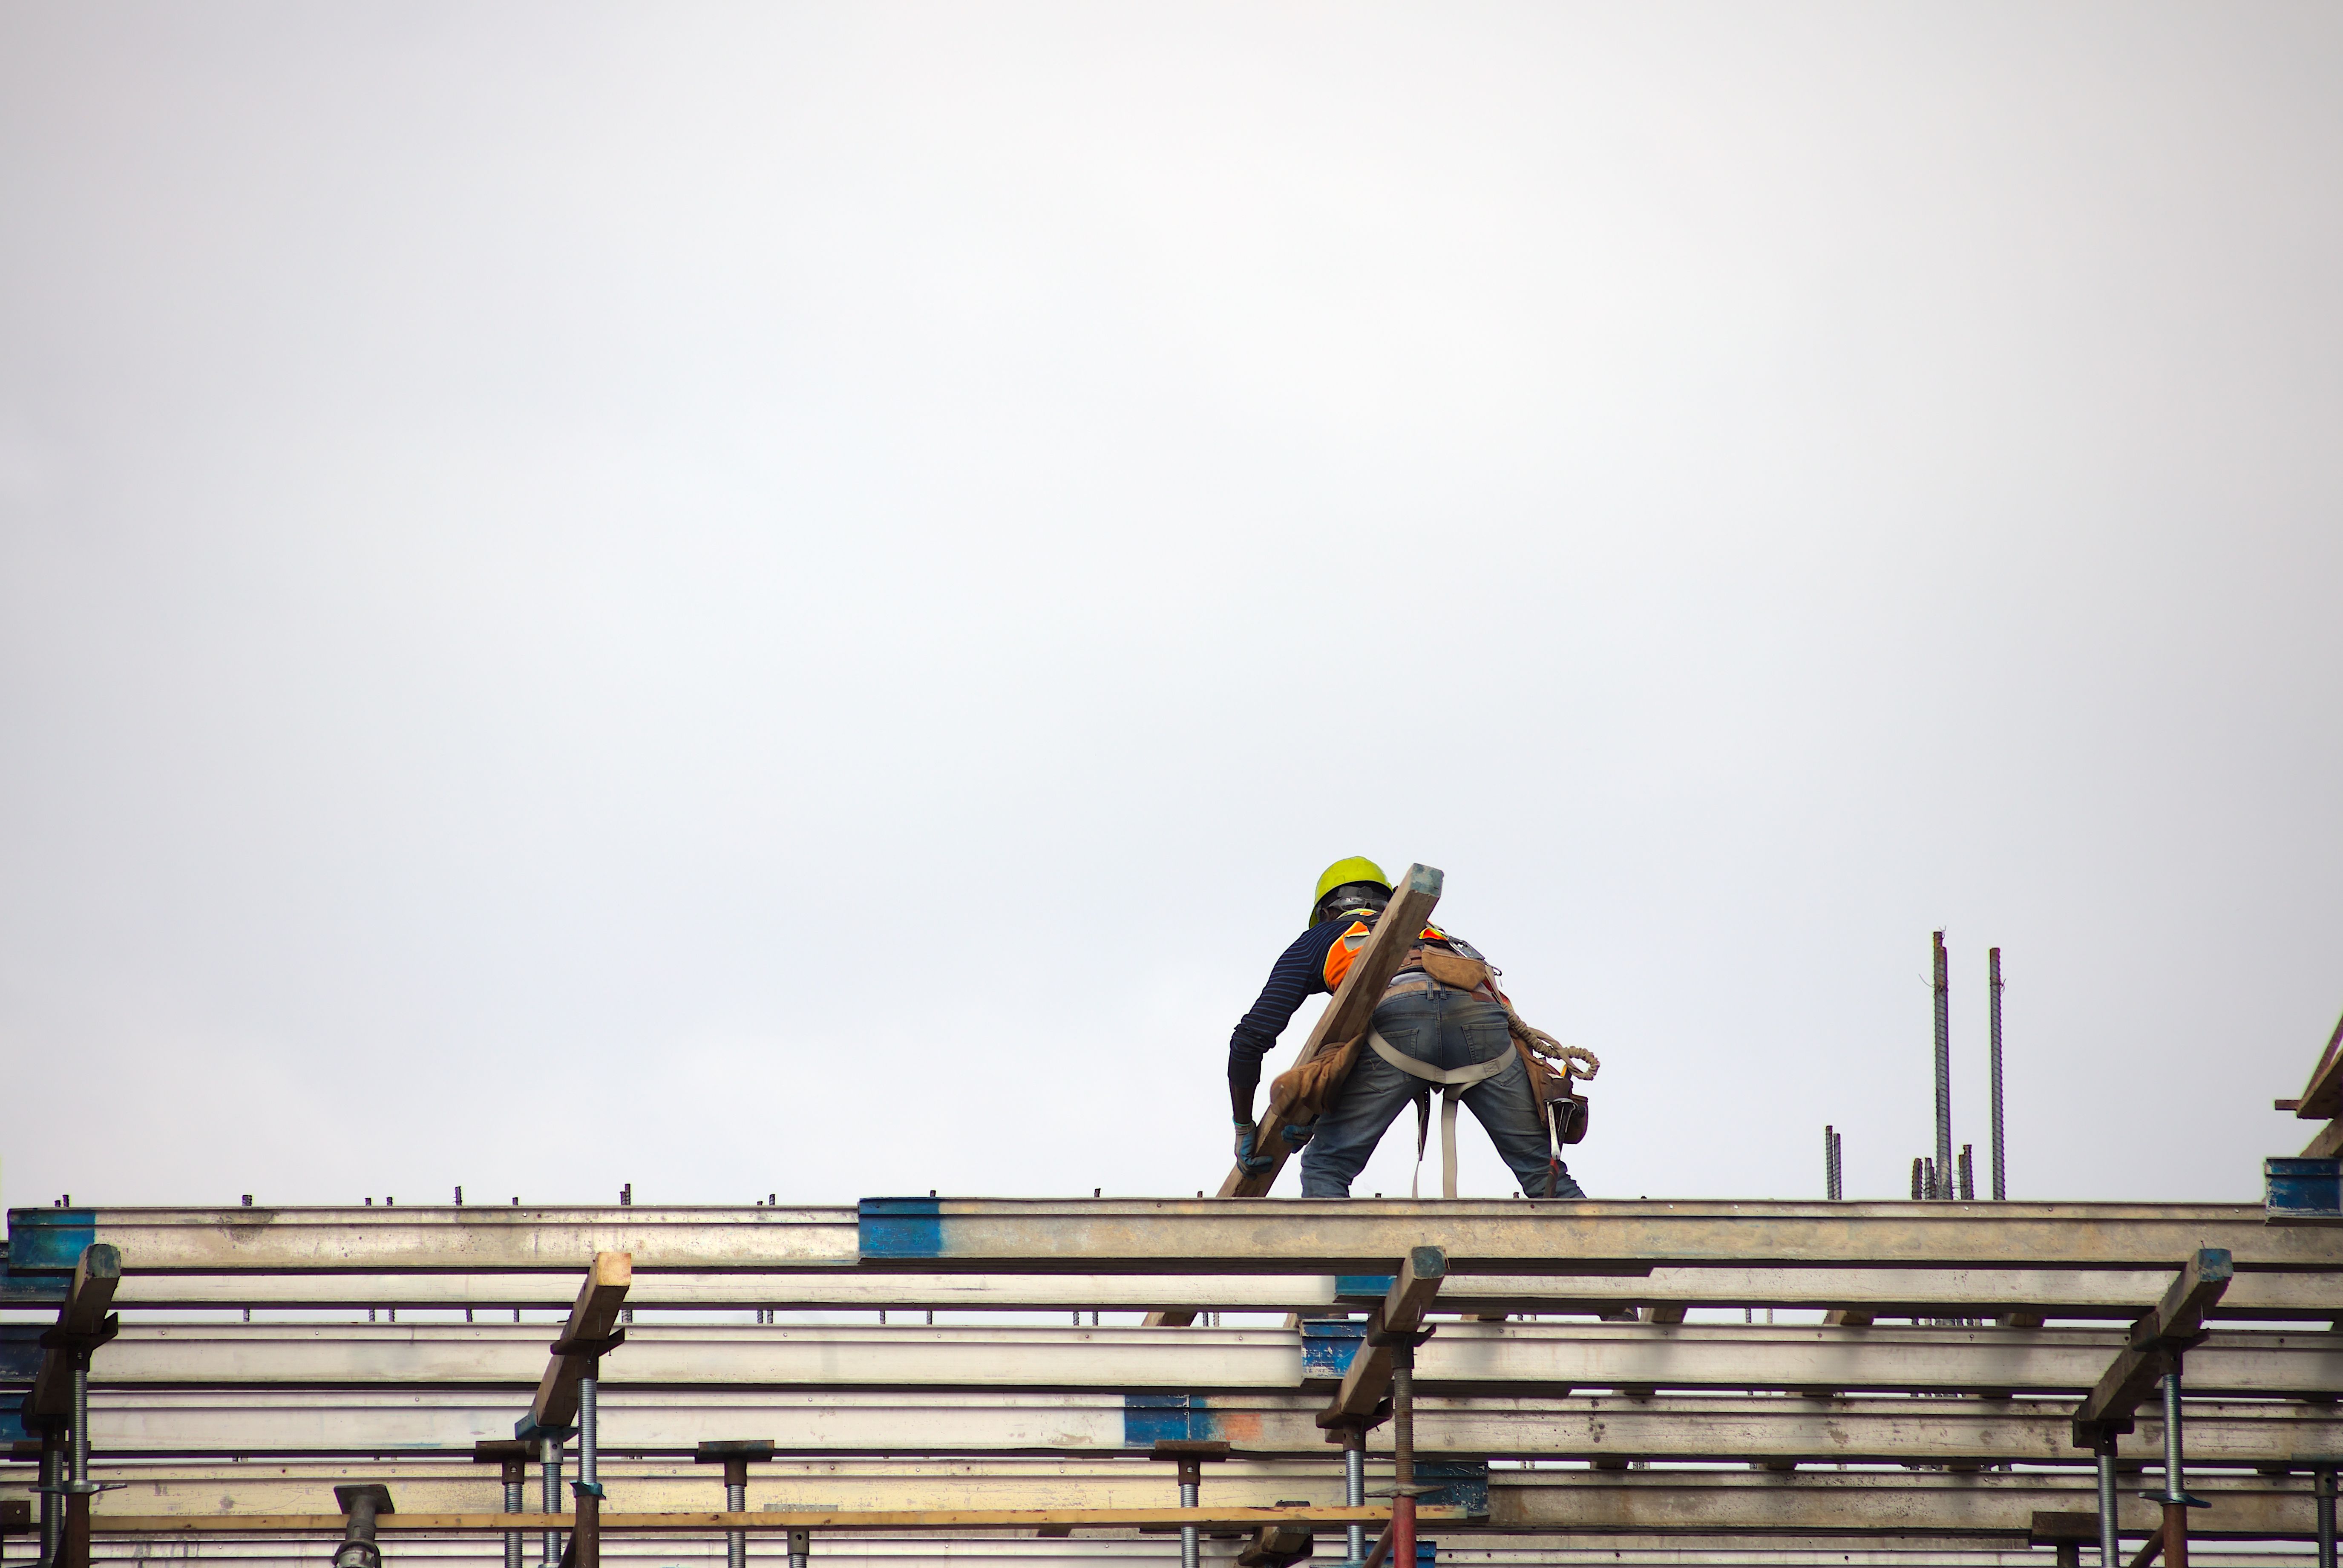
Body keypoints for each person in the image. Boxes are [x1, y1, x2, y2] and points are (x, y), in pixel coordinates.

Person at [1226, 857, 1586, 1199]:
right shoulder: (1445, 941)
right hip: (1485, 1028)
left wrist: (1244, 1125)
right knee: (1544, 1171)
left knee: (1327, 1165)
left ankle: (1354, 1266)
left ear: (1326, 912)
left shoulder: (1323, 937)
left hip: (1398, 1023)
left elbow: (1251, 1037)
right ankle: (1610, 1248)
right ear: (1389, 900)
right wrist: (1318, 1108)